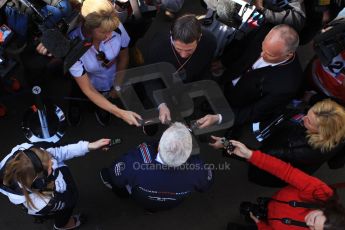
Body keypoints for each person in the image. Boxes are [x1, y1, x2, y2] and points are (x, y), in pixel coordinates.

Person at [211, 99, 345, 187]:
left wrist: (226, 144)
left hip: (275, 169)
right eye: (308, 113)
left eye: (309, 121)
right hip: (283, 144)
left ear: (322, 131)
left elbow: (260, 156)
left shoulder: (301, 151)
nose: (302, 118)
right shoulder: (337, 124)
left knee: (257, 172)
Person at [215, 139, 345, 230]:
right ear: (326, 209)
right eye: (315, 219)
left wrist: (261, 225)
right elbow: (285, 171)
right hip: (273, 203)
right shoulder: (320, 192)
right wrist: (250, 155)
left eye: (314, 229)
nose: (308, 223)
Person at [197, 24, 302, 129]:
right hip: (231, 77)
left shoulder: (288, 85)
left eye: (270, 55)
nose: (261, 55)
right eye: (262, 46)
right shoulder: (263, 31)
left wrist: (220, 118)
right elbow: (242, 46)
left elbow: (254, 112)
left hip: (241, 103)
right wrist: (224, 62)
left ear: (288, 55)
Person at [99, 122, 213, 211]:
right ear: (188, 154)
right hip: (170, 204)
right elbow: (206, 185)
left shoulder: (134, 161)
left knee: (107, 175)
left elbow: (116, 178)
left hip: (141, 199)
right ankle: (152, 210)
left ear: (158, 147)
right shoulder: (198, 169)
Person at [0, 139, 110, 230]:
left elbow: (59, 152)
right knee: (64, 211)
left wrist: (89, 146)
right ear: (39, 183)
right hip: (54, 204)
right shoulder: (46, 199)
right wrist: (63, 189)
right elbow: (64, 198)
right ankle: (62, 226)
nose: (52, 162)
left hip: (47, 197)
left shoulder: (27, 156)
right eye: (49, 168)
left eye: (48, 156)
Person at [68, 0, 141, 127]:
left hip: (111, 78)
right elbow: (88, 89)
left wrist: (117, 84)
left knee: (104, 99)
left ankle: (103, 106)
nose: (109, 35)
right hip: (86, 82)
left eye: (111, 30)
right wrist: (119, 112)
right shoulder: (73, 45)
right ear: (88, 27)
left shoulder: (114, 27)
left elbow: (124, 56)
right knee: (80, 96)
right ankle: (75, 105)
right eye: (103, 32)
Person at [139, 14, 216, 124]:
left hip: (189, 87)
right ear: (171, 36)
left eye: (189, 50)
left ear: (199, 38)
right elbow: (150, 79)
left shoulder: (210, 42)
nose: (183, 55)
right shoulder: (156, 47)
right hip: (162, 86)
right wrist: (161, 104)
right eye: (179, 49)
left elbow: (205, 69)